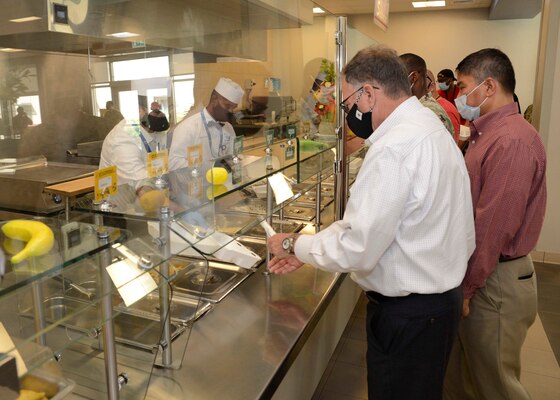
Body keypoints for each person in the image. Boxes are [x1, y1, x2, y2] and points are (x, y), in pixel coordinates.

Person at [268, 45, 475, 400]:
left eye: (348, 103)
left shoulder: (395, 148)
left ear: (369, 92)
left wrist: (292, 244)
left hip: (410, 315)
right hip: (437, 306)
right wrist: (309, 251)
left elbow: (357, 247)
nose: (350, 113)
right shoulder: (426, 124)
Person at [443, 48, 547, 400]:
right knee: (467, 376)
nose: (458, 95)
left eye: (462, 86)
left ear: (488, 86)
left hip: (494, 279)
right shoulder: (484, 133)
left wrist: (469, 288)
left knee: (495, 384)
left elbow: (493, 227)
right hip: (483, 272)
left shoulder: (511, 141)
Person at [169, 77, 244, 171]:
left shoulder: (228, 127)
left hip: (224, 182)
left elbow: (235, 154)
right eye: (227, 105)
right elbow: (173, 163)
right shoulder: (188, 127)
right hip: (198, 184)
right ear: (214, 100)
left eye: (233, 108)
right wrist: (209, 167)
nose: (230, 111)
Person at [99, 102, 168, 184]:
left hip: (146, 188)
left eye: (160, 109)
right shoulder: (123, 137)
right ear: (138, 111)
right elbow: (138, 182)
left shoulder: (152, 130)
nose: (159, 113)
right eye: (152, 109)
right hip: (125, 193)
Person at [400, 53, 454, 138]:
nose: (395, 83)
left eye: (399, 77)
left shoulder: (430, 112)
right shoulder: (416, 106)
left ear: (414, 77)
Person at [427, 69, 461, 142]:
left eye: (444, 81)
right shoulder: (439, 94)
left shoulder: (460, 92)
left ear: (451, 80)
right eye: (439, 81)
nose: (441, 83)